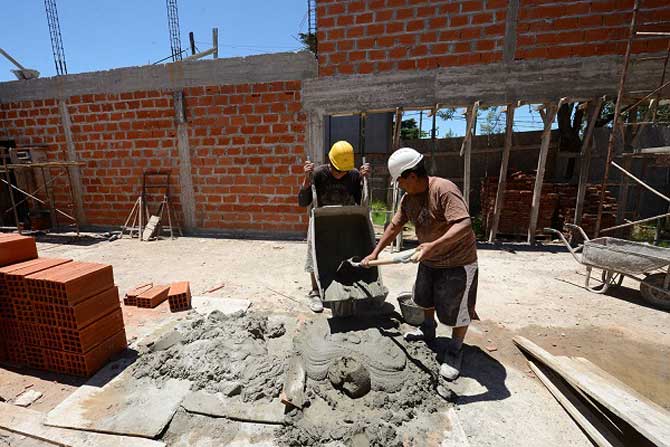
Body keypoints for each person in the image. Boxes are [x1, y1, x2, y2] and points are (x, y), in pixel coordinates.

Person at [362, 147, 478, 380]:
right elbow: (394, 226)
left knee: (457, 310)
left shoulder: (443, 189)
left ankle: (455, 350)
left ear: (412, 176)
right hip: (429, 258)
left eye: (401, 182)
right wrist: (375, 253)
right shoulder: (409, 199)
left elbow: (464, 224)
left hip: (457, 261)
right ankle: (428, 330)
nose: (400, 187)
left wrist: (433, 245)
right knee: (424, 297)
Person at [298, 140, 370, 313]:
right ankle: (315, 291)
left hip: (344, 222)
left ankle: (342, 286)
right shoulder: (318, 174)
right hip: (321, 221)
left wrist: (365, 180)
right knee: (314, 256)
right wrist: (306, 181)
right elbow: (302, 202)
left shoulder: (353, 175)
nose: (340, 175)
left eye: (343, 171)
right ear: (330, 163)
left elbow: (363, 202)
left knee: (343, 254)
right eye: (337, 170)